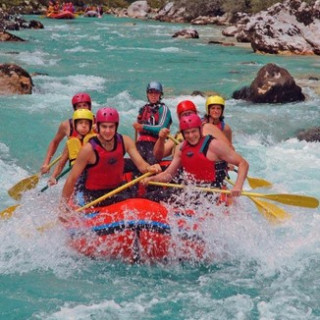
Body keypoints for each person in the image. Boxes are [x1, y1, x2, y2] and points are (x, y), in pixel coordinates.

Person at [61, 107, 162, 209]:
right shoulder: (88, 150)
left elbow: (141, 165)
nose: (108, 131)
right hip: (95, 195)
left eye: (111, 127)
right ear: (98, 127)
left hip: (118, 189)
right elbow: (72, 179)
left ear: (116, 127)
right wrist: (63, 208)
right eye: (104, 127)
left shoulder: (125, 141)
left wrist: (150, 168)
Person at [142, 114, 248, 201]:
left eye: (194, 131)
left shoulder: (214, 145)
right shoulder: (181, 148)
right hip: (192, 190)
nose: (191, 136)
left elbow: (243, 163)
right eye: (187, 133)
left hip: (213, 192)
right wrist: (152, 179)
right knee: (151, 196)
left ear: (200, 130)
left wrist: (238, 186)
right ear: (183, 134)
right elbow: (168, 174)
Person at [153, 100, 231, 161]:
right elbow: (158, 156)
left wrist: (226, 162)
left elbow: (229, 150)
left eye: (190, 113)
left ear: (196, 115)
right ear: (180, 118)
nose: (188, 118)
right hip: (181, 172)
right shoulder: (178, 136)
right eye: (184, 115)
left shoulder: (207, 128)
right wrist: (161, 139)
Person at [40, 92, 92, 174]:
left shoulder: (98, 124)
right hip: (77, 161)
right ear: (75, 109)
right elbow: (55, 142)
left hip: (94, 161)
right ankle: (53, 179)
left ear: (89, 107)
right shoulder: (66, 125)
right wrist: (46, 163)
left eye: (85, 105)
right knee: (69, 147)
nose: (82, 108)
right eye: (79, 106)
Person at [48, 109, 95, 186]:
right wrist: (53, 177)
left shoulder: (97, 139)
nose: (84, 125)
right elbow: (61, 163)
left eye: (87, 123)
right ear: (75, 125)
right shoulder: (71, 143)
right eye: (80, 123)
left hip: (96, 175)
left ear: (91, 125)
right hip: (80, 179)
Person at [132, 81, 172, 165]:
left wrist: (142, 127)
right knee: (135, 164)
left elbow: (161, 128)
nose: (153, 95)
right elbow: (139, 131)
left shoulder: (163, 109)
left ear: (160, 94)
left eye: (156, 92)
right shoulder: (143, 109)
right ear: (147, 94)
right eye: (151, 92)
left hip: (155, 145)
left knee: (149, 163)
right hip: (141, 144)